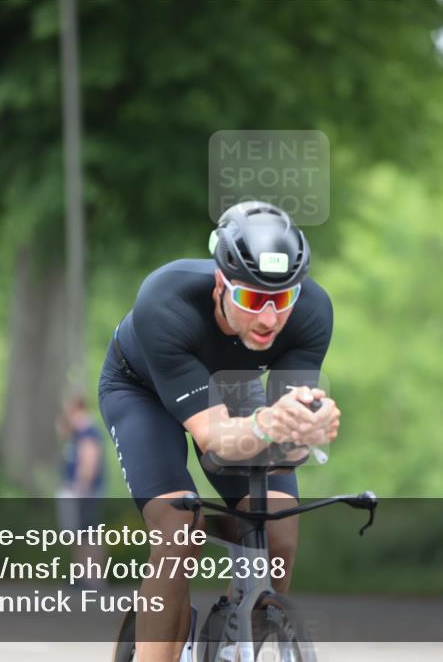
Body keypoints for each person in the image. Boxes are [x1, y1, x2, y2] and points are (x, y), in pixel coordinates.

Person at [97, 200, 340, 662]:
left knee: (279, 526)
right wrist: (270, 424)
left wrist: (308, 430)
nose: (269, 318)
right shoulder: (164, 301)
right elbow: (217, 442)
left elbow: (283, 437)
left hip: (232, 388)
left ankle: (236, 641)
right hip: (142, 390)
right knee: (179, 528)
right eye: (251, 299)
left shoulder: (312, 313)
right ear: (219, 284)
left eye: (282, 299)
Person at [56, 394, 107, 589]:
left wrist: (82, 484)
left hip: (85, 491)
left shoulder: (87, 431)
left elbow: (90, 458)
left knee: (89, 535)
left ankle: (93, 578)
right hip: (78, 491)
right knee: (79, 535)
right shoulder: (77, 432)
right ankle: (81, 575)